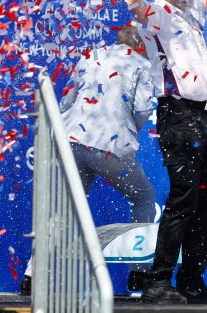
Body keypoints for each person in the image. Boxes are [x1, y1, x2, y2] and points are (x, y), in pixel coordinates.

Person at [126, 0, 207, 305]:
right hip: (178, 116)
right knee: (183, 199)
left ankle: (192, 280)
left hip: (204, 116)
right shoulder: (159, 13)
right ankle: (158, 280)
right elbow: (133, 0)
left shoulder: (192, 14)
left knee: (204, 199)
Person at [19, 26, 156, 295]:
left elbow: (67, 101)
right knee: (143, 197)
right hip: (110, 146)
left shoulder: (91, 55)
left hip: (73, 141)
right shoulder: (141, 63)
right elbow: (142, 108)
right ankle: (140, 275)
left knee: (63, 211)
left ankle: (31, 275)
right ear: (140, 44)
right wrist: (131, 132)